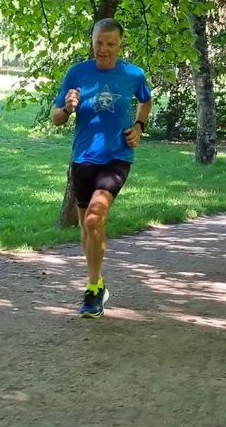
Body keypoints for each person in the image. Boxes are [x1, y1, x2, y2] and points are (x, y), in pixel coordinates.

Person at [52, 18, 152, 318]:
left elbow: (145, 102)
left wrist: (139, 126)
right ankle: (97, 282)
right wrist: (67, 108)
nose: (104, 49)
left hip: (118, 156)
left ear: (120, 45)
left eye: (110, 43)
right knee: (86, 229)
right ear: (92, 41)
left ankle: (93, 289)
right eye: (99, 43)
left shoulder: (133, 75)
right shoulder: (77, 73)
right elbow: (56, 117)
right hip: (83, 158)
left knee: (94, 219)